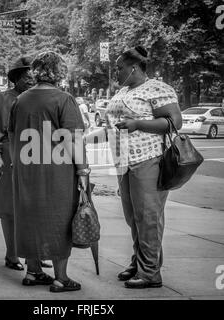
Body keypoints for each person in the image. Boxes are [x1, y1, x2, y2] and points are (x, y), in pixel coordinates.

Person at [8, 51, 89, 292]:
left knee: (29, 217)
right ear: (59, 71)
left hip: (25, 168)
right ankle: (61, 278)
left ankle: (33, 272)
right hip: (57, 171)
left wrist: (17, 163)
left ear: (36, 71)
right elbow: (73, 139)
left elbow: (12, 135)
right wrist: (83, 170)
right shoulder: (63, 99)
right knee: (60, 219)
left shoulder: (20, 100)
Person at [105, 46, 182, 289]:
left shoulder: (157, 88)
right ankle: (139, 262)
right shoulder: (125, 91)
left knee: (148, 217)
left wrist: (137, 123)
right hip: (124, 162)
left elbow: (174, 122)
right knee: (133, 217)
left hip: (149, 159)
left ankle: (150, 272)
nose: (116, 73)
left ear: (133, 68)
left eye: (119, 68)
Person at [0, 57, 51, 271]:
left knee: (34, 208)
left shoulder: (39, 97)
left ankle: (33, 256)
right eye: (26, 77)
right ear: (16, 79)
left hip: (35, 158)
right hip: (8, 156)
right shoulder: (3, 99)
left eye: (33, 76)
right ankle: (12, 254)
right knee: (10, 209)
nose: (30, 80)